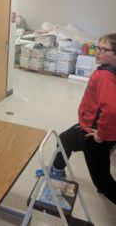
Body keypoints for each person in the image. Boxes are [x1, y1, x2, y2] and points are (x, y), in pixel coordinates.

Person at [36, 33, 116, 204]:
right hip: (89, 127)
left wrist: (100, 134)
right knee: (65, 139)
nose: (98, 52)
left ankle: (104, 187)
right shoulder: (109, 71)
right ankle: (57, 170)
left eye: (104, 49)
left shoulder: (105, 76)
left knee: (102, 180)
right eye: (98, 48)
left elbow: (111, 111)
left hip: (94, 136)